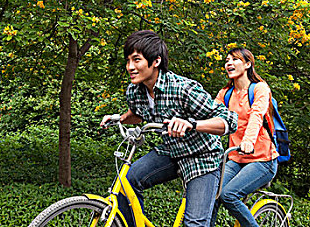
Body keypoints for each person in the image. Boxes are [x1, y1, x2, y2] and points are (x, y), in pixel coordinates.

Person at [100, 30, 238, 227]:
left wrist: (192, 124)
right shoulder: (135, 90)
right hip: (171, 151)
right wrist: (120, 118)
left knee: (194, 224)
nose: (130, 67)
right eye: (128, 60)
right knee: (126, 182)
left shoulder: (183, 89)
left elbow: (229, 120)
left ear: (155, 61)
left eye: (136, 60)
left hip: (202, 157)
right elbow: (138, 113)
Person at [209, 47, 279, 227]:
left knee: (228, 195)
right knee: (212, 194)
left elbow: (256, 115)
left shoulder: (260, 88)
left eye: (235, 59)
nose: (229, 63)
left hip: (262, 160)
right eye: (227, 60)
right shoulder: (225, 94)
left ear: (248, 64)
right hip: (236, 157)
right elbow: (209, 116)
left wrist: (248, 141)